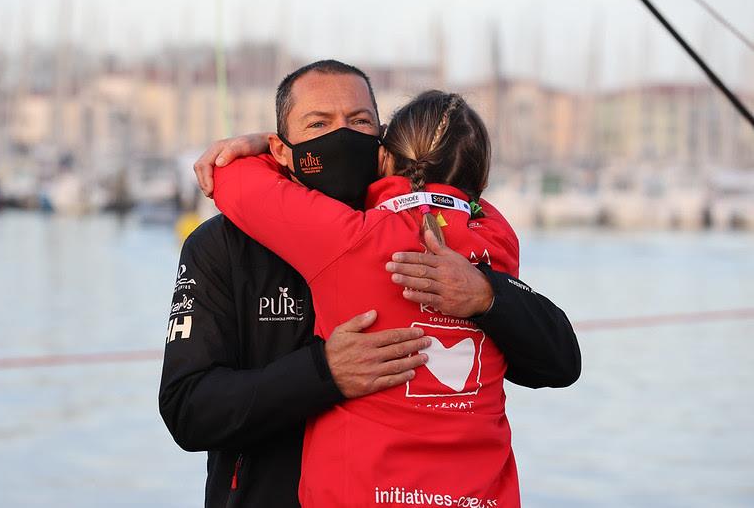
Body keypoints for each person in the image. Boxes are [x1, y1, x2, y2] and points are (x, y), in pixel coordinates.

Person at [161, 60, 580, 508]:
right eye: (318, 124)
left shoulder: (435, 237)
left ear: (382, 145)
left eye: (359, 121)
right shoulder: (221, 246)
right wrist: (322, 373)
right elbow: (188, 409)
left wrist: (488, 296)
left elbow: (558, 363)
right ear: (283, 149)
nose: (341, 136)